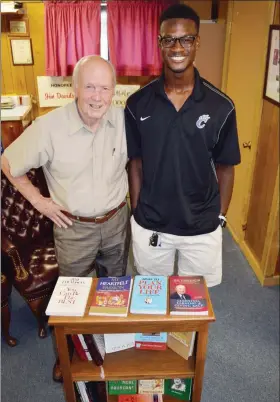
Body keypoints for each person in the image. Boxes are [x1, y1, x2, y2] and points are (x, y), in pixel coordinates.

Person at [1, 55, 129, 381]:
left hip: (116, 221)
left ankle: (110, 345)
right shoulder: (48, 127)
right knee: (73, 298)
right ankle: (68, 354)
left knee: (115, 288)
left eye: (105, 88)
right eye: (89, 87)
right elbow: (8, 164)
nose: (97, 96)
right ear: (74, 88)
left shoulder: (125, 121)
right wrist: (38, 201)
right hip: (73, 228)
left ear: (113, 90)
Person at [125, 4, 241, 287]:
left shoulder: (221, 106)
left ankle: (184, 335)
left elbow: (226, 167)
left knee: (192, 304)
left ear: (197, 42)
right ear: (159, 43)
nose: (178, 47)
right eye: (169, 39)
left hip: (201, 226)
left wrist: (220, 216)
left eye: (186, 38)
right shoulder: (137, 103)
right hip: (152, 224)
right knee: (153, 298)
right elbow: (135, 163)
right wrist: (138, 210)